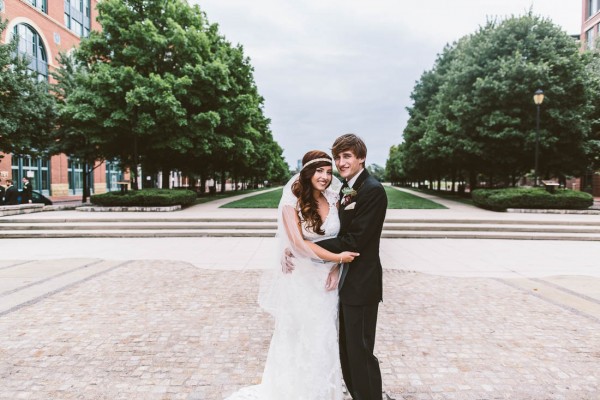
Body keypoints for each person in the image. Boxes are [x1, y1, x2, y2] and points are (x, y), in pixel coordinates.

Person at [225, 150, 359, 400]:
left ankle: (323, 392)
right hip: (302, 279)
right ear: (307, 172)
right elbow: (298, 244)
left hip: (327, 280)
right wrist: (338, 258)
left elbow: (341, 237)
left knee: (324, 335)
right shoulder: (292, 201)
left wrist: (335, 267)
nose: (325, 176)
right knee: (300, 335)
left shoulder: (334, 198)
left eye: (329, 172)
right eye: (319, 171)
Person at [316, 133, 388, 400]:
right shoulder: (347, 189)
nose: (341, 162)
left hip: (362, 283)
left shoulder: (372, 190)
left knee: (360, 351)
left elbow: (355, 240)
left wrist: (309, 248)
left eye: (347, 156)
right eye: (338, 157)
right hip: (345, 282)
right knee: (347, 350)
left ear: (361, 158)